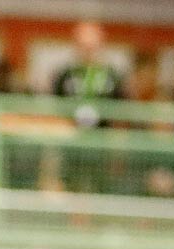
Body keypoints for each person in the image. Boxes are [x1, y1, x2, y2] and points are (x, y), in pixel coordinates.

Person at [52, 20, 123, 195]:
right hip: (71, 147)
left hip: (101, 149)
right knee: (70, 191)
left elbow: (119, 118)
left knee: (100, 192)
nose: (88, 49)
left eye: (92, 44)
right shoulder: (65, 75)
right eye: (83, 44)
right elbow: (57, 114)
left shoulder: (112, 76)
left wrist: (116, 151)